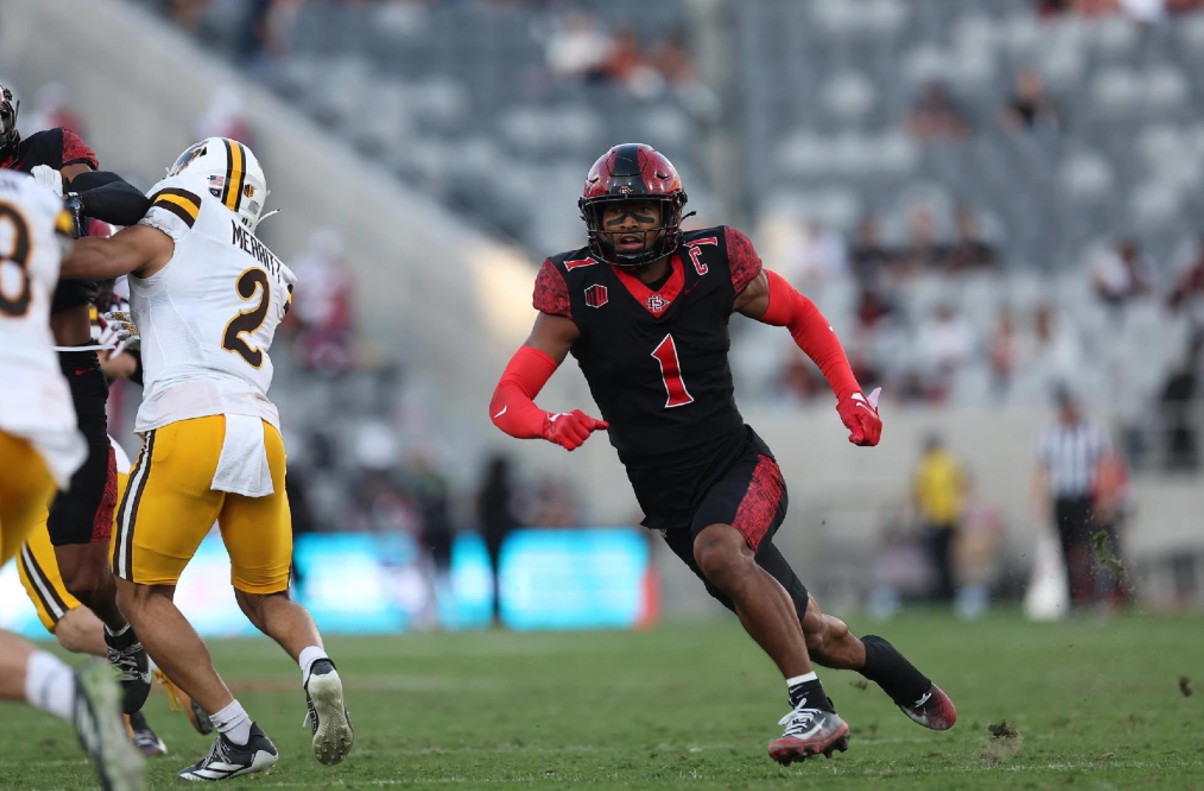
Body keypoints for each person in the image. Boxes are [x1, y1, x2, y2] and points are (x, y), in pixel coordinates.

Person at [489, 143, 956, 765]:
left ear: (671, 214)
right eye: (613, 213)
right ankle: (902, 677)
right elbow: (507, 400)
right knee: (816, 633)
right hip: (668, 498)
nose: (627, 223)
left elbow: (801, 312)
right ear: (592, 221)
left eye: (640, 210)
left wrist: (848, 393)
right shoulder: (576, 288)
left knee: (721, 550)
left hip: (738, 466)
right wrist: (548, 423)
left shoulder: (717, 261)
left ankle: (812, 708)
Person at [59, 137, 354, 780]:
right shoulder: (276, 270)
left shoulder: (179, 211)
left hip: (190, 421)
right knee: (267, 595)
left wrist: (38, 238)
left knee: (139, 597)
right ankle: (316, 665)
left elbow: (103, 258)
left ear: (193, 173)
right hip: (260, 426)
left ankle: (238, 733)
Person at [1, 82, 154, 715]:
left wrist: (64, 191)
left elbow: (126, 199)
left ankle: (126, 642)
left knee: (85, 576)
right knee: (68, 586)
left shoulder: (44, 151)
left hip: (65, 372)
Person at [18, 434, 213, 755]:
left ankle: (170, 665)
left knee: (71, 622)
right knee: (105, 602)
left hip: (41, 466)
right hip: (110, 462)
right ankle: (133, 726)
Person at [1033, 387, 1115, 610]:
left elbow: (1105, 467)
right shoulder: (1049, 434)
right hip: (1062, 499)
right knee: (1066, 551)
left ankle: (1099, 601)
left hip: (1086, 498)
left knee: (1093, 550)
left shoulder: (1093, 432)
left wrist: (1105, 497)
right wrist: (1041, 503)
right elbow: (1041, 471)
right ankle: (1072, 603)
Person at [911, 434, 967, 604]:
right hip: (952, 517)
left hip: (934, 518)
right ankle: (950, 592)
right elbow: (963, 485)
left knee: (936, 559)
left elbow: (919, 493)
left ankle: (941, 594)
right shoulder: (952, 463)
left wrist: (918, 514)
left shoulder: (926, 466)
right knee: (949, 559)